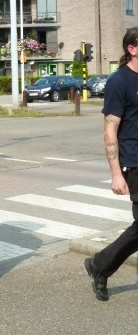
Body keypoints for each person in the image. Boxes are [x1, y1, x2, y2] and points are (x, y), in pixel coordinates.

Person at [84, 26, 138, 301]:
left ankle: (99, 264)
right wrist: (116, 174)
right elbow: (110, 129)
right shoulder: (120, 81)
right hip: (135, 163)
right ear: (132, 49)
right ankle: (101, 266)